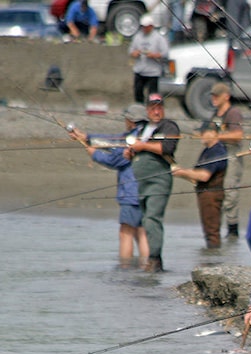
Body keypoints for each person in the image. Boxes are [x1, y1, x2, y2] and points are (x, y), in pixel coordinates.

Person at [67, 103, 149, 266]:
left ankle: (125, 270)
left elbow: (116, 159)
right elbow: (114, 141)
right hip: (146, 191)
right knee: (141, 232)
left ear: (131, 121)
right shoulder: (144, 136)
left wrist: (94, 153)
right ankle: (147, 268)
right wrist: (87, 137)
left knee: (125, 232)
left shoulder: (132, 138)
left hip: (131, 193)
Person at [124, 93, 179, 272]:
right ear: (147, 110)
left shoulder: (169, 126)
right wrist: (131, 152)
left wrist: (143, 146)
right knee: (145, 220)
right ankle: (152, 259)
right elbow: (136, 148)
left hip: (159, 179)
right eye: (153, 108)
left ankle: (155, 259)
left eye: (159, 107)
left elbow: (167, 147)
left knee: (152, 218)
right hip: (142, 182)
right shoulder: (142, 129)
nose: (156, 111)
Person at [172, 122, 228, 249]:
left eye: (204, 132)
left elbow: (204, 175)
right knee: (208, 230)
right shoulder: (208, 151)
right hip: (205, 193)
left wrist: (182, 172)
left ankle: (214, 261)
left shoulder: (217, 151)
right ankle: (211, 257)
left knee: (212, 231)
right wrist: (182, 173)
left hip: (212, 195)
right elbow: (196, 177)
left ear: (214, 133)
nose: (201, 135)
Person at [207, 82, 245, 239]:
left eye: (217, 95)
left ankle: (233, 229)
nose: (214, 98)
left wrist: (217, 137)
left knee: (230, 192)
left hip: (231, 156)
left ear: (226, 96)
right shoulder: (215, 114)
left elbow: (238, 135)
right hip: (217, 156)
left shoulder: (233, 113)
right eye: (212, 95)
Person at [129, 14, 169, 104]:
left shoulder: (159, 38)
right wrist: (135, 53)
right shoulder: (137, 37)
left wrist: (154, 55)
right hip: (140, 70)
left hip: (153, 72)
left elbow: (165, 53)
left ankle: (151, 110)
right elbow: (131, 50)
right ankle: (139, 108)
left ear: (151, 26)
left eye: (146, 27)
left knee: (153, 96)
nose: (144, 29)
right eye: (143, 27)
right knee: (138, 92)